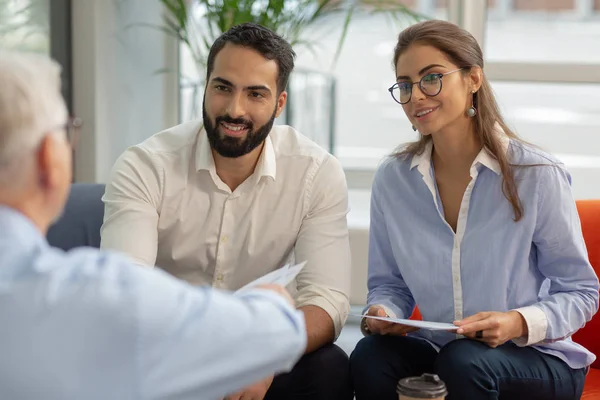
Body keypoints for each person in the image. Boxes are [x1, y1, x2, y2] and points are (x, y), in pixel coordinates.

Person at [0, 50, 308, 400]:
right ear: (49, 159)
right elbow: (276, 333)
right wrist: (272, 300)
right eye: (67, 133)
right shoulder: (92, 295)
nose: (235, 109)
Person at [100, 23, 352, 400]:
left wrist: (261, 354)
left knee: (328, 366)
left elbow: (327, 300)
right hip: (168, 344)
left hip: (260, 340)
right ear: (205, 87)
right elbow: (125, 292)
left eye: (255, 94)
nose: (235, 109)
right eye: (223, 88)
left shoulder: (316, 172)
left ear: (279, 103)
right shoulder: (145, 166)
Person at [349, 19, 599, 400]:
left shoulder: (535, 174)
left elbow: (581, 292)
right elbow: (390, 284)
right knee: (370, 355)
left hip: (537, 359)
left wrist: (517, 322)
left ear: (474, 79)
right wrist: (383, 311)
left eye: (431, 78)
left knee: (465, 361)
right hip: (444, 350)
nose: (416, 95)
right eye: (404, 84)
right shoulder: (392, 179)